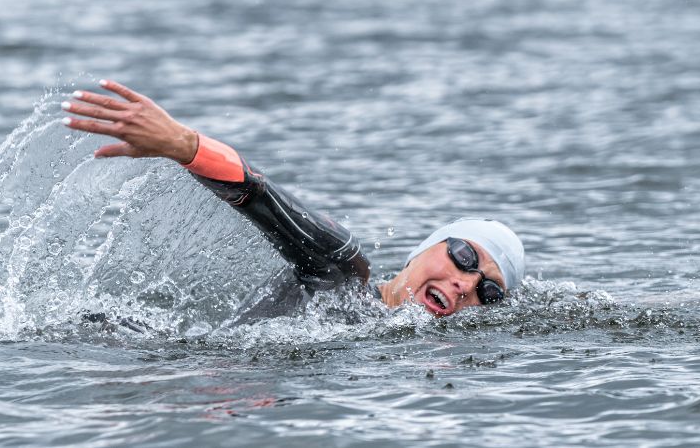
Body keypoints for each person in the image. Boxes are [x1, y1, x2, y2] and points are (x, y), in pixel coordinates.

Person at [61, 80, 524, 319]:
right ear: (424, 248)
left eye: (489, 292)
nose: (466, 284)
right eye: (465, 256)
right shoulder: (342, 274)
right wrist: (184, 145)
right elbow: (260, 196)